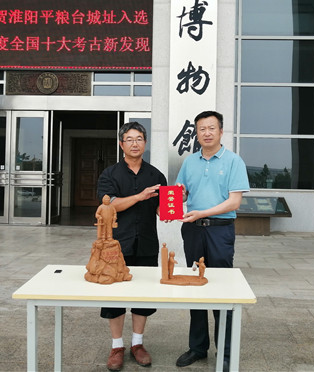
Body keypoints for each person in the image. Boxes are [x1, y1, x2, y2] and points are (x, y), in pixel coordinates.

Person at [175, 111, 250, 372]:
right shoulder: (189, 162)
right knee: (195, 286)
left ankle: (225, 352)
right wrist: (173, 200)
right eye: (202, 129)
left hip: (220, 231)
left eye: (211, 128)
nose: (206, 133)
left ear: (220, 131)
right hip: (193, 231)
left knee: (221, 288)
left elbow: (234, 202)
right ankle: (197, 347)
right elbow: (182, 194)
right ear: (196, 133)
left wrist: (203, 212)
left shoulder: (233, 161)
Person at [96, 121, 167, 372]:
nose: (134, 143)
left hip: (147, 242)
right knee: (114, 295)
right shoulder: (110, 174)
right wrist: (139, 196)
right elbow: (109, 205)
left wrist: (171, 207)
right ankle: (117, 346)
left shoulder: (156, 175)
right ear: (121, 144)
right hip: (116, 245)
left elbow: (161, 208)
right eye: (129, 139)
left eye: (139, 139)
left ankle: (138, 343)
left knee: (143, 295)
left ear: (145, 143)